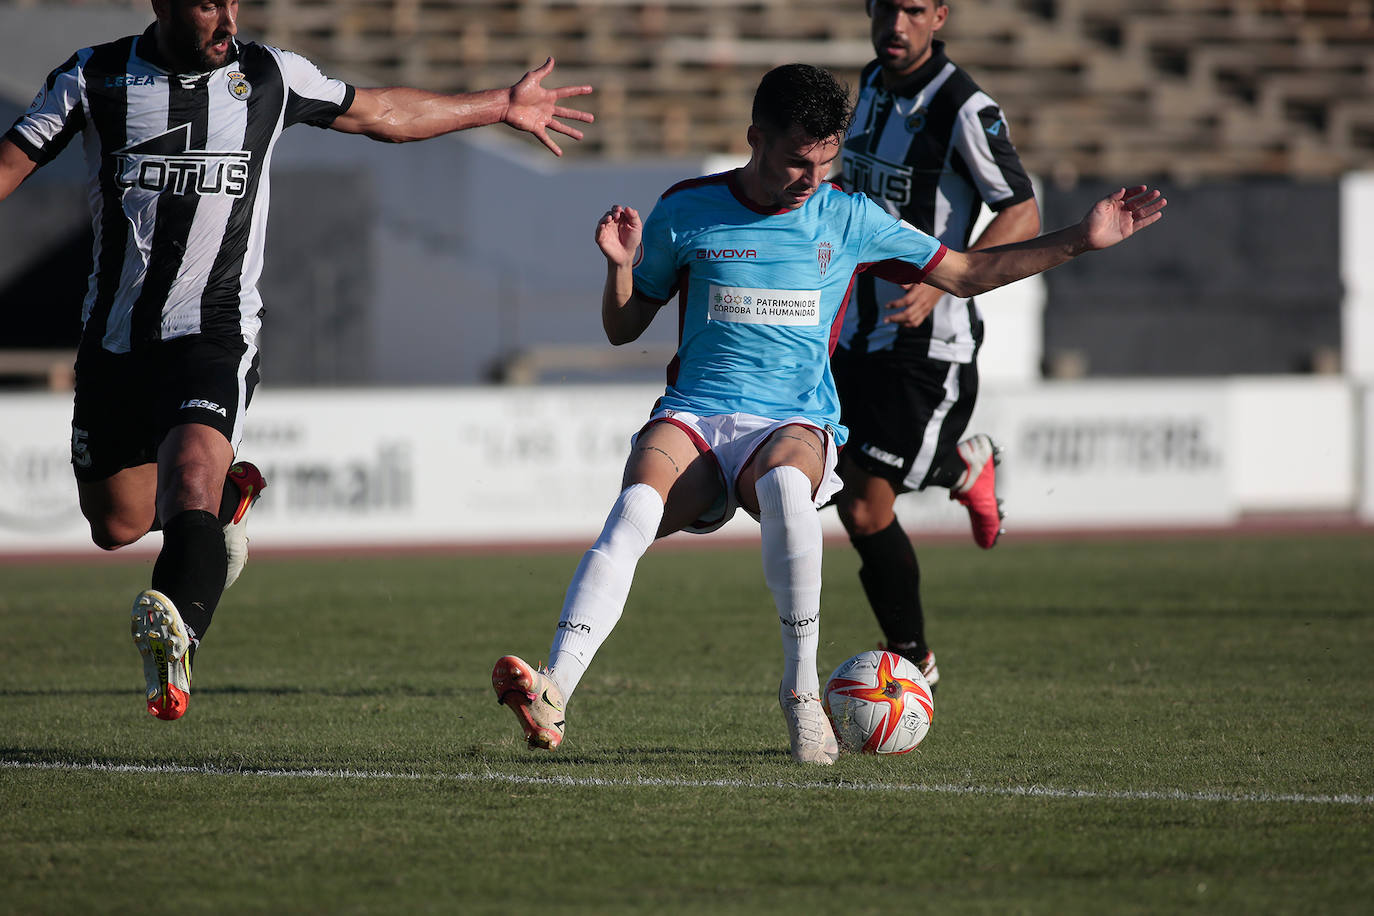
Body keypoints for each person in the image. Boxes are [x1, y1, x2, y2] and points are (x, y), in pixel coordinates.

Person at [492, 63, 1164, 765]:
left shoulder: (849, 217)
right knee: (633, 509)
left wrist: (1081, 239)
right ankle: (553, 690)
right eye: (794, 161)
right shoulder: (686, 210)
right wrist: (620, 269)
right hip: (695, 414)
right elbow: (624, 328)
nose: (811, 177)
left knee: (787, 487)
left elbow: (966, 273)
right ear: (754, 138)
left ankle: (801, 696)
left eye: (826, 161)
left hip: (791, 423)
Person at [0, 0, 592, 722]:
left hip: (214, 333)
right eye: (207, 4)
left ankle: (177, 640)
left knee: (187, 475)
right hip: (115, 341)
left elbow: (382, 113)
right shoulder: (93, 76)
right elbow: (10, 163)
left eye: (233, 2)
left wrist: (499, 103)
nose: (227, 19)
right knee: (117, 525)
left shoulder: (267, 75)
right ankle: (226, 509)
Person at [831, 0, 1042, 689]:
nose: (897, 24)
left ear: (940, 15)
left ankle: (913, 660)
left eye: (915, 9)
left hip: (928, 337)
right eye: (886, 7)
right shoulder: (866, 86)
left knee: (866, 502)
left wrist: (945, 282)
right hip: (855, 329)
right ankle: (961, 471)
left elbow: (1021, 209)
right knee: (852, 499)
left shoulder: (963, 107)